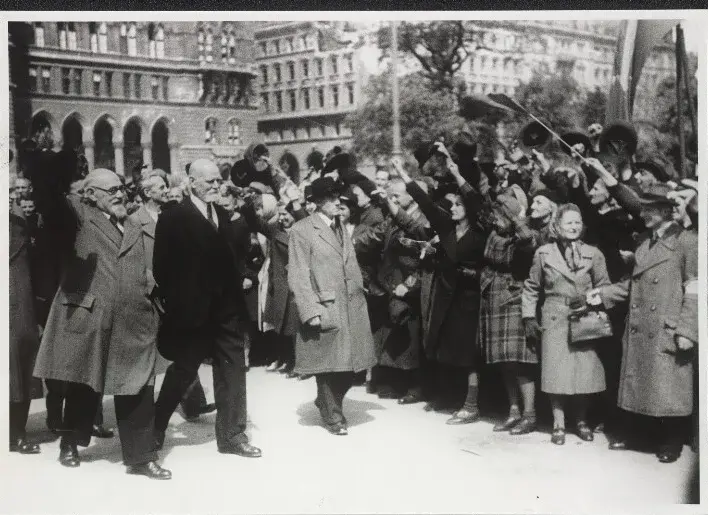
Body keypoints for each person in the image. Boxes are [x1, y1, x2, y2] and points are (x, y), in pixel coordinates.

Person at [32, 168, 171, 478]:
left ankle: (140, 457)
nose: (120, 193)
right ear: (91, 195)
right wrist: (51, 165)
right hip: (92, 317)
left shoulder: (133, 221)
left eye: (121, 187)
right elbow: (54, 206)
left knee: (137, 385)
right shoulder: (79, 218)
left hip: (134, 318)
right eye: (111, 190)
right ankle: (70, 440)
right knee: (85, 383)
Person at [153, 158, 261, 458]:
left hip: (227, 311)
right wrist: (181, 306)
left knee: (234, 371)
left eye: (218, 181)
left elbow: (236, 257)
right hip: (193, 314)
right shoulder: (174, 216)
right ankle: (156, 426)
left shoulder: (224, 216)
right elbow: (162, 268)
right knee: (183, 372)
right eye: (209, 181)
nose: (216, 186)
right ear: (191, 182)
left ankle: (232, 437)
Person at [589, 185, 698, 463]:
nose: (643, 213)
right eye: (643, 208)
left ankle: (672, 440)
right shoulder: (644, 242)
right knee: (644, 382)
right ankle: (641, 433)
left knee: (668, 387)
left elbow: (696, 288)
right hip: (641, 325)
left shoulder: (687, 241)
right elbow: (632, 285)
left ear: (665, 211)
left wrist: (688, 330)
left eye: (649, 209)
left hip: (667, 326)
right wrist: (599, 295)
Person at [393, 148, 488, 425]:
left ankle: (471, 405)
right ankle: (451, 397)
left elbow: (476, 200)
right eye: (452, 205)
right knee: (446, 350)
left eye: (458, 204)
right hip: (446, 299)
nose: (453, 208)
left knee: (469, 354)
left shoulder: (479, 232)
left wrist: (457, 173)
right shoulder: (446, 228)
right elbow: (425, 203)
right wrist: (404, 176)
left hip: (470, 300)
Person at [288, 176, 376, 436]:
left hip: (352, 305)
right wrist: (309, 309)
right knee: (329, 365)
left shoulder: (341, 226)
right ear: (315, 202)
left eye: (339, 196)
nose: (338, 202)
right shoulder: (302, 230)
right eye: (331, 197)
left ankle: (327, 402)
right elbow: (298, 273)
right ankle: (333, 416)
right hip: (325, 304)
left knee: (352, 368)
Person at [522, 204, 611, 446]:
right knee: (555, 372)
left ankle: (581, 421)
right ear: (557, 226)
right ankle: (558, 423)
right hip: (554, 317)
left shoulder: (594, 254)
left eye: (577, 222)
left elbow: (605, 287)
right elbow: (531, 287)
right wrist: (529, 316)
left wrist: (593, 300)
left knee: (584, 373)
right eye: (568, 222)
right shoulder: (543, 253)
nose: (573, 227)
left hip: (584, 318)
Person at [480, 186, 539, 435]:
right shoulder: (494, 233)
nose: (496, 220)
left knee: (521, 362)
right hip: (494, 298)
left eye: (500, 215)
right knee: (504, 361)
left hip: (514, 297)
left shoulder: (525, 233)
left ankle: (530, 414)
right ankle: (513, 411)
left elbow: (527, 243)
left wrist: (517, 218)